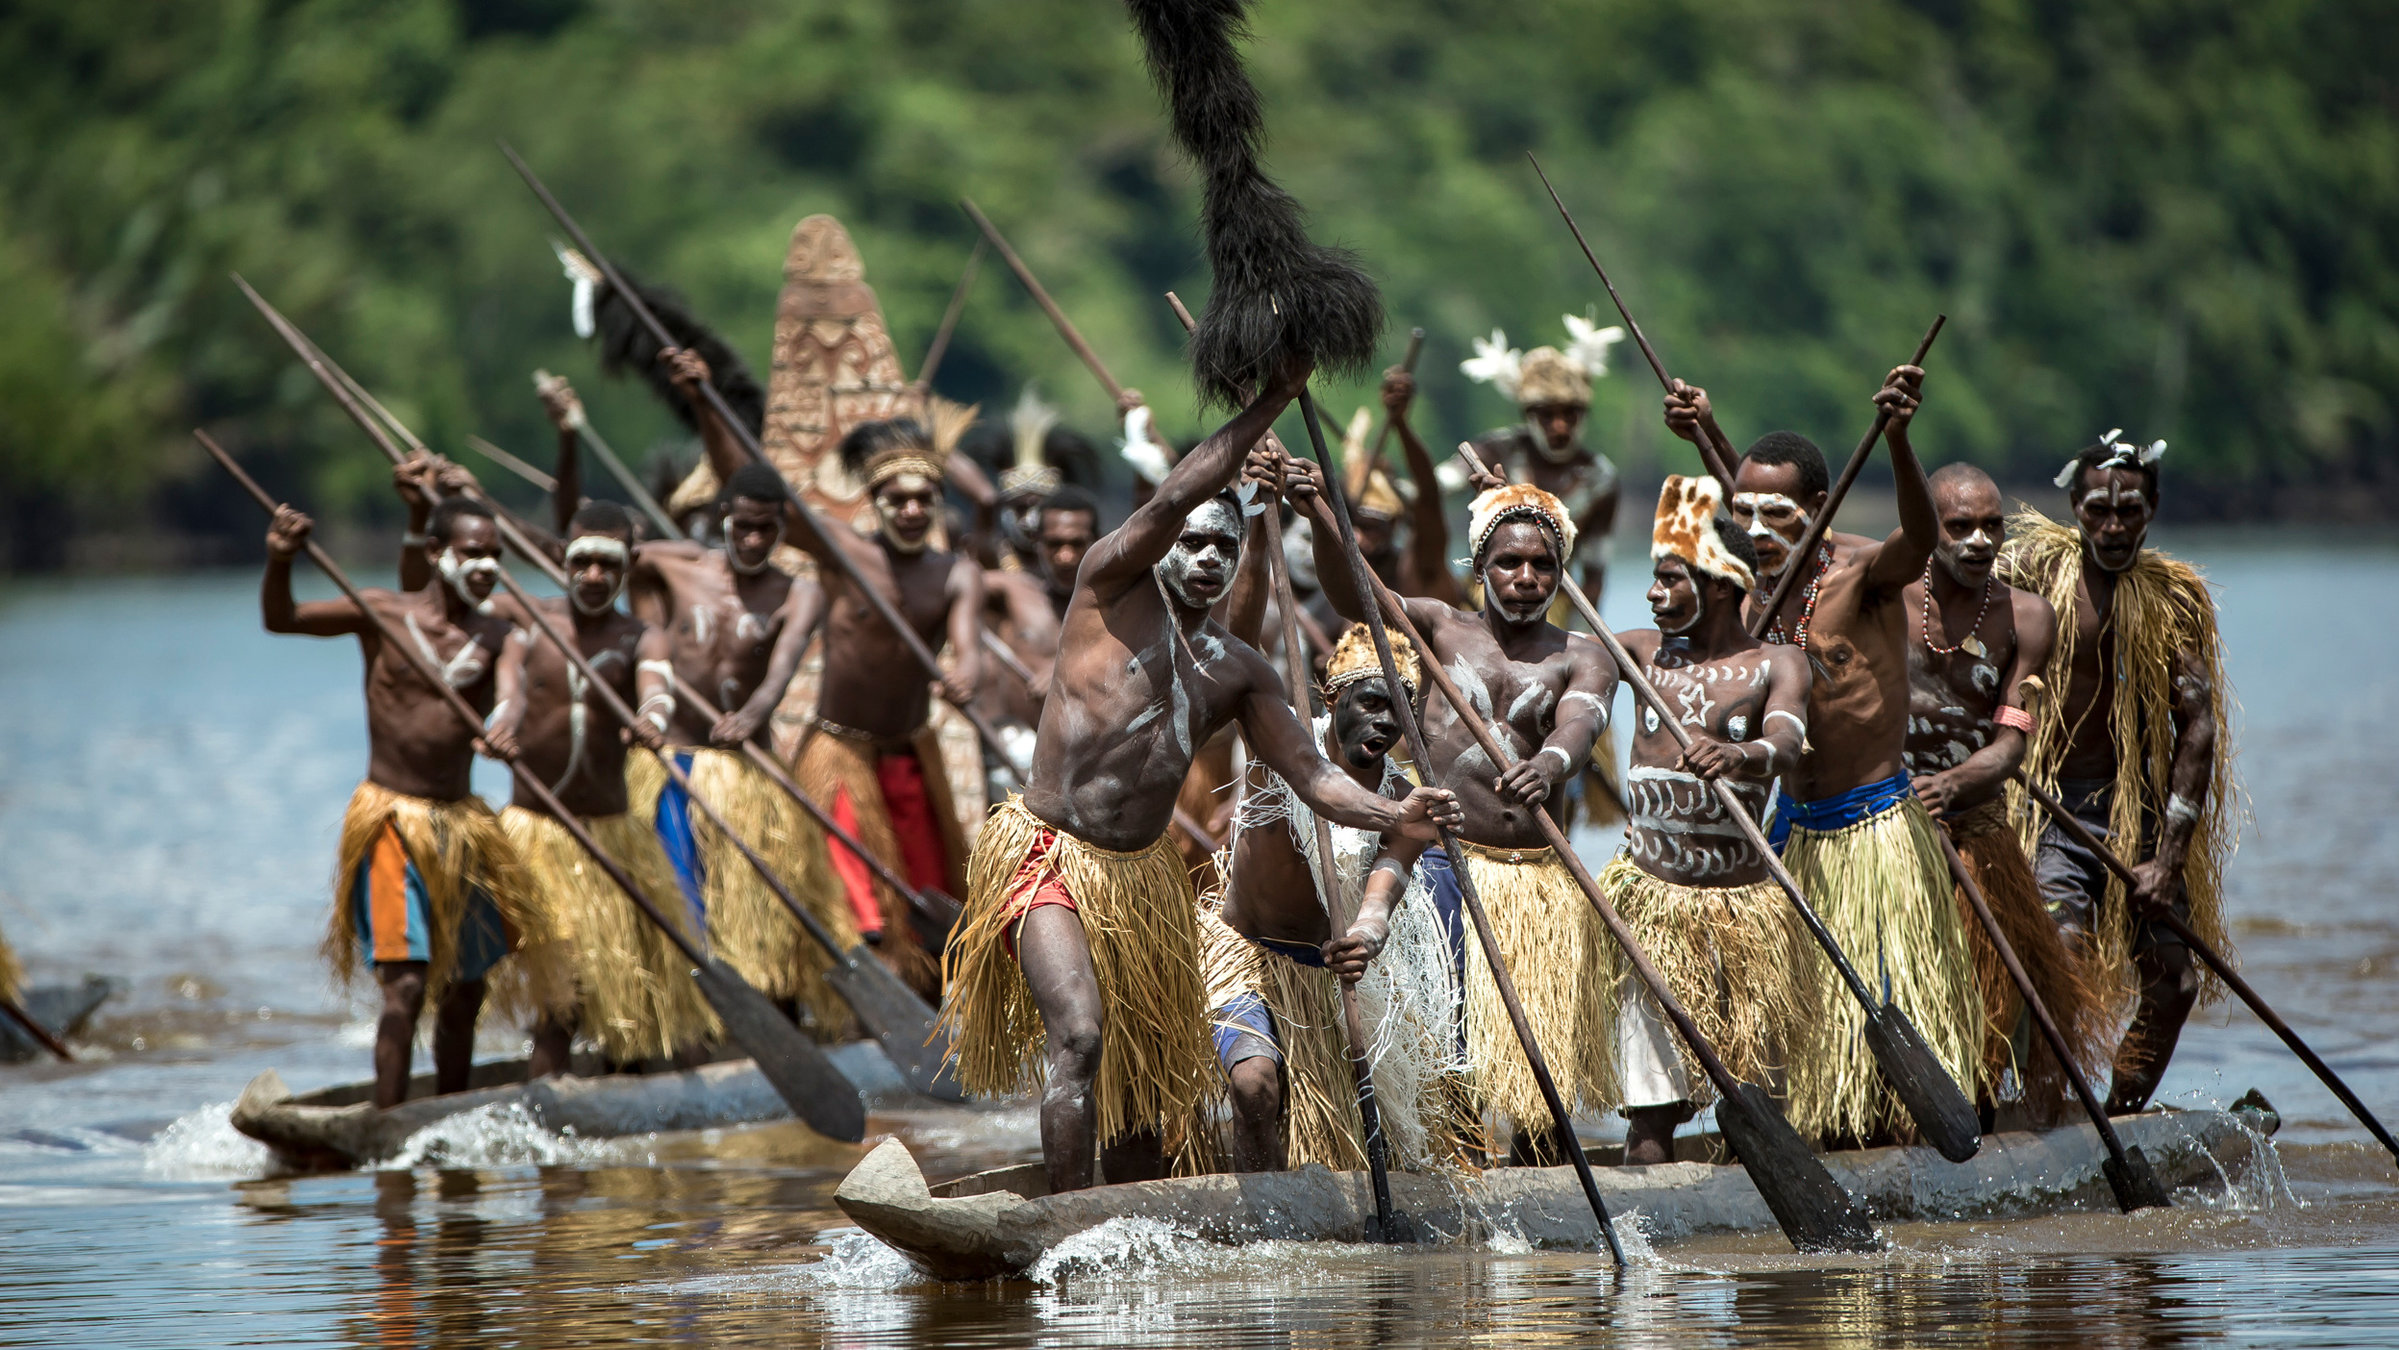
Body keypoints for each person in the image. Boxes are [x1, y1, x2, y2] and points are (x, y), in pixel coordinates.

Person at [939, 358, 1461, 1194]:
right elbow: (1176, 491)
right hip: (1047, 854)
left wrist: (1402, 810)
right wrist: (1270, 402)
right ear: (1162, 545)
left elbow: (1314, 778)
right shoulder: (1107, 589)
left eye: (1224, 545)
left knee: (1142, 1080)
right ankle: (1066, 1226)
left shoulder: (1238, 670)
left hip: (1142, 880)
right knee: (1077, 1034)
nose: (1208, 557)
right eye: (1193, 542)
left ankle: (1134, 1219)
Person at [1663, 364, 1981, 1145]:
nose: (1758, 528)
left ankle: (1890, 1136)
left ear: (1817, 512)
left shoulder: (1863, 576)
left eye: (1780, 515)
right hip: (1792, 831)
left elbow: (1921, 536)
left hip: (1870, 832)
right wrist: (1706, 432)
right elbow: (1754, 511)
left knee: (1880, 1007)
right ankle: (1805, 1131)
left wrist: (1899, 439)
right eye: (1743, 514)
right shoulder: (1745, 590)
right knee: (1783, 1012)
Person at [1298, 453, 1619, 1165]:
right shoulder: (1439, 628)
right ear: (1480, 566)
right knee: (1455, 1061)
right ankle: (1462, 1201)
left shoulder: (1582, 653)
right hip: (1448, 867)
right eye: (1508, 563)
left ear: (1559, 570)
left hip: (1535, 882)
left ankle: (1548, 1221)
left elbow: (1581, 721)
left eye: (1541, 564)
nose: (1525, 578)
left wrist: (1550, 763)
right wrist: (1318, 511)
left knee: (1540, 1080)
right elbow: (1353, 592)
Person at [260, 496, 566, 1109]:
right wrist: (279, 559)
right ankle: (388, 1117)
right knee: (403, 986)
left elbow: (509, 697)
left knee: (465, 988)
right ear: (435, 554)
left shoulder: (499, 634)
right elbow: (283, 618)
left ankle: (449, 1112)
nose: (486, 567)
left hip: (462, 825)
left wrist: (501, 726)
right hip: (393, 822)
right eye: (473, 553)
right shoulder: (381, 613)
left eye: (496, 557)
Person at [2001, 431, 2233, 1114]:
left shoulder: (2174, 599)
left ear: (2151, 508)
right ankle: (2043, 1116)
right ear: (2073, 505)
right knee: (2058, 958)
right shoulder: (2028, 577)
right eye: (2096, 509)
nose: (2111, 525)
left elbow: (2195, 727)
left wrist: (2169, 857)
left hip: (2132, 815)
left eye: (2127, 509)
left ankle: (2118, 1117)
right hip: (2043, 807)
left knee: (2173, 982)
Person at [628, 358, 858, 1036]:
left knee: (759, 914)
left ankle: (774, 1028)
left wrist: (754, 714)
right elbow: (575, 543)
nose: (754, 541)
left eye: (768, 529)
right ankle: (675, 1031)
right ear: (721, 517)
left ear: (782, 527)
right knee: (678, 902)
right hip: (672, 763)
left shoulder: (800, 591)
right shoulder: (673, 567)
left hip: (748, 769)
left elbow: (782, 668)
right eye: (743, 527)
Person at [1195, 618, 1474, 1174]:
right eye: (1372, 703)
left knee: (1384, 1139)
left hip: (1327, 975)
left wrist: (1365, 941)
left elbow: (1380, 898)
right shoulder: (1277, 747)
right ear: (1333, 695)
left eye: (1400, 709)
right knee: (1254, 1087)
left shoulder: (1404, 798)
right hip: (1243, 957)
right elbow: (1235, 635)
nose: (1386, 722)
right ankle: (1266, 1228)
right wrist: (1248, 534)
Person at [1604, 476, 1821, 1164]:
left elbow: (1786, 745)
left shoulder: (1773, 664)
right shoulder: (1637, 653)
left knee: (1759, 1103)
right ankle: (1652, 1261)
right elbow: (1536, 648)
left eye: (1670, 580)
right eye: (1653, 579)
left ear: (1721, 586)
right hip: (1648, 911)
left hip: (1742, 915)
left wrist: (1738, 753)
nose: (1651, 594)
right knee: (1648, 1121)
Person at [1902, 464, 2107, 1127]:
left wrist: (1955, 783)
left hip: (1976, 826)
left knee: (2004, 994)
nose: (1978, 541)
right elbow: (1792, 525)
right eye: (1959, 527)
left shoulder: (2025, 615)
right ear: (1926, 529)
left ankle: (1991, 1115)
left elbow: (2011, 738)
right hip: (1884, 831)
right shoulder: (1887, 599)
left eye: (1991, 526)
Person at [483, 501, 719, 1075]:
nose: (593, 576)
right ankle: (546, 1108)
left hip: (613, 837)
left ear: (627, 567)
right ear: (563, 559)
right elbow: (509, 697)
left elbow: (656, 691)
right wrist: (499, 729)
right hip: (534, 834)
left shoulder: (642, 637)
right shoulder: (530, 625)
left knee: (643, 986)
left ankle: (659, 1090)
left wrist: (652, 720)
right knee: (562, 992)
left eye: (606, 565)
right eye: (582, 561)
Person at [770, 417, 986, 998]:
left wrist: (964, 676)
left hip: (910, 753)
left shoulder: (955, 575)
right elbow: (771, 500)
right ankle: (837, 1003)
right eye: (899, 500)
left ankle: (929, 1013)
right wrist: (700, 399)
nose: (912, 510)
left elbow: (968, 651)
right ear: (875, 503)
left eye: (924, 499)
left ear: (938, 503)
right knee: (857, 907)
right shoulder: (844, 553)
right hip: (838, 750)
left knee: (929, 905)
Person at [1345, 366, 1462, 604]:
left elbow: (1429, 494)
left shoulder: (1419, 565)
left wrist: (1401, 425)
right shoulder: (1338, 578)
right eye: (1354, 525)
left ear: (1394, 524)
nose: (1359, 537)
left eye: (1371, 527)